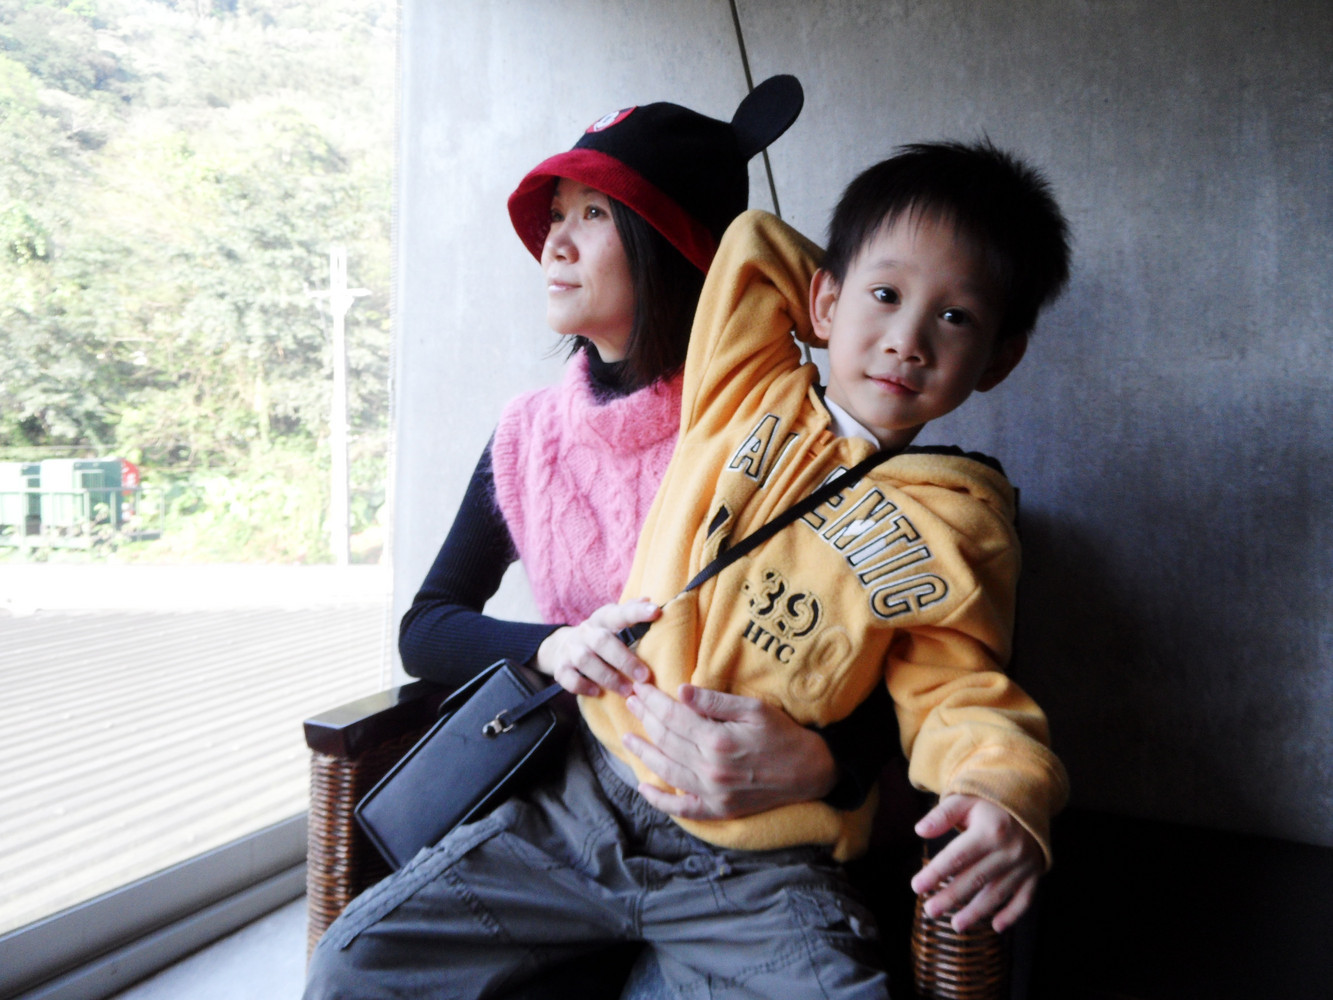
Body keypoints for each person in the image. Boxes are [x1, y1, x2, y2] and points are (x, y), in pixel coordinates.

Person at [307, 79, 904, 1000]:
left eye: (593, 213)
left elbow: (887, 643)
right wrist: (552, 646)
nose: (554, 242)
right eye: (556, 213)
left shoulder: (771, 428)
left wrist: (831, 763)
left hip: (747, 839)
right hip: (576, 808)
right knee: (354, 967)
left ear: (674, 245)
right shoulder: (529, 435)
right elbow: (427, 625)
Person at [593, 140, 1072, 944]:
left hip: (764, 861)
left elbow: (957, 692)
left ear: (999, 359)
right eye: (886, 295)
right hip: (598, 788)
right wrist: (843, 298)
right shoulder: (747, 388)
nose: (907, 339)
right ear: (822, 300)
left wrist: (1003, 789)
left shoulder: (961, 526)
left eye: (954, 317)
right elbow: (751, 245)